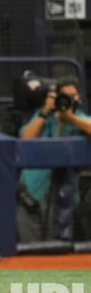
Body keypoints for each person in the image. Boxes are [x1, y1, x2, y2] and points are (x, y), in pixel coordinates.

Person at [19, 77, 91, 241]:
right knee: (32, 241)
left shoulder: (80, 118)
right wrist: (45, 111)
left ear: (78, 97)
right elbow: (24, 139)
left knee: (64, 242)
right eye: (65, 95)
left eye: (73, 96)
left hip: (67, 193)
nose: (69, 99)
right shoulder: (43, 116)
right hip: (36, 189)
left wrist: (70, 118)